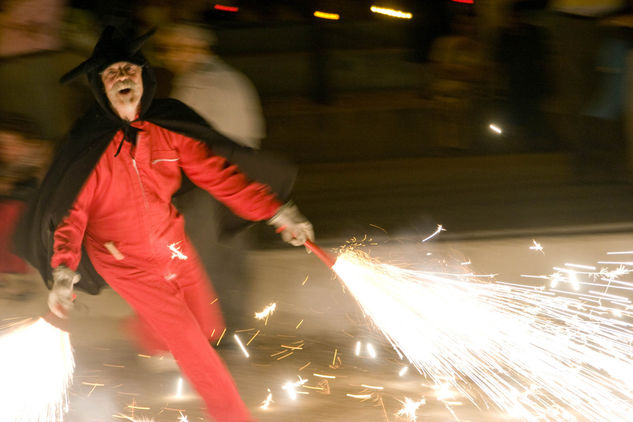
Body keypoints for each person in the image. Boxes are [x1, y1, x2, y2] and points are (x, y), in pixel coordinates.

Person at [15, 26, 313, 422]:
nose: (123, 78)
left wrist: (275, 211)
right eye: (112, 74)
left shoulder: (167, 131)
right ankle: (232, 415)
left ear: (144, 78)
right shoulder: (91, 149)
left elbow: (220, 176)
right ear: (100, 86)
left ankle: (145, 331)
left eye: (130, 71)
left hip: (173, 244)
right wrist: (64, 268)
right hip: (123, 260)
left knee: (208, 325)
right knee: (191, 343)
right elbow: (71, 216)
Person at [154, 22, 266, 330]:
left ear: (194, 47)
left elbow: (181, 138)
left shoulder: (199, 83)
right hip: (242, 176)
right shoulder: (232, 78)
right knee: (231, 255)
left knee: (205, 257)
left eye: (174, 48)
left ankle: (214, 328)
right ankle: (235, 326)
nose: (169, 56)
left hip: (211, 180)